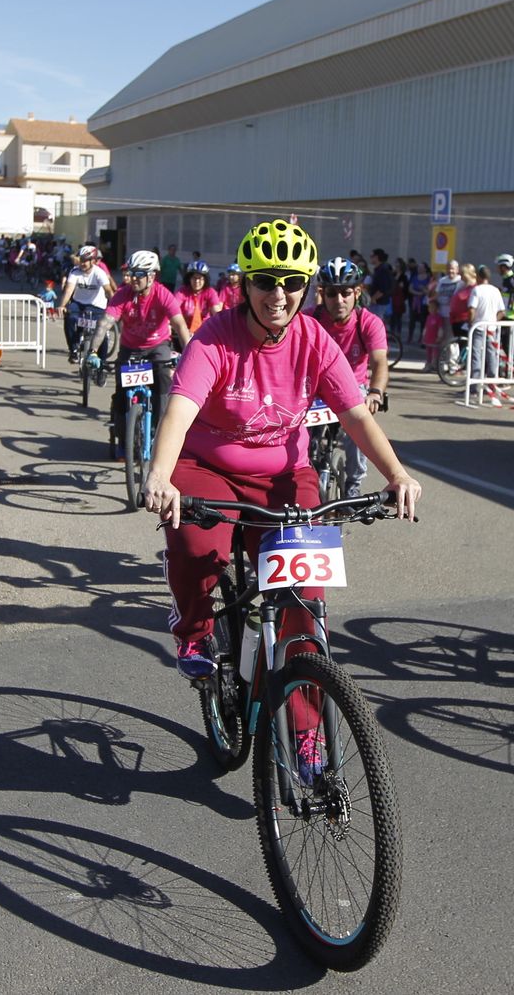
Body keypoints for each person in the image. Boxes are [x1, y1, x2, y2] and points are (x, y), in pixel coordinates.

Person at [140, 220, 420, 782]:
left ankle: (308, 736)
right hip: (207, 467)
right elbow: (181, 410)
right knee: (199, 548)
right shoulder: (214, 337)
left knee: (301, 609)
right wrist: (161, 474)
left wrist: (396, 474)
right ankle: (193, 630)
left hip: (286, 474)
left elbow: (356, 414)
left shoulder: (315, 339)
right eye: (266, 281)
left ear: (306, 287)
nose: (279, 294)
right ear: (245, 284)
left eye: (292, 282)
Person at [82, 249, 190, 454]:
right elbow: (105, 323)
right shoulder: (123, 294)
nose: (133, 279)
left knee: (163, 386)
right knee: (122, 394)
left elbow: (180, 326)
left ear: (151, 276)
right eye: (132, 273)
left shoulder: (163, 295)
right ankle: (124, 438)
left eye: (139, 274)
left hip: (157, 347)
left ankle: (160, 434)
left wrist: (188, 355)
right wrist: (94, 352)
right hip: (130, 349)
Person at [313, 257, 390, 496]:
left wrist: (376, 393)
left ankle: (353, 484)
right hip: (316, 389)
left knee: (359, 428)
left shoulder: (369, 322)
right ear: (322, 293)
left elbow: (379, 362)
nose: (339, 300)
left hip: (353, 389)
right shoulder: (309, 320)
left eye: (345, 293)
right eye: (332, 294)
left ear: (357, 292)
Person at [57, 244, 112, 362]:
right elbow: (68, 290)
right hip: (78, 304)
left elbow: (108, 290)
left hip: (97, 306)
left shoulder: (99, 273)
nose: (82, 263)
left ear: (93, 261)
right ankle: (74, 349)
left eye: (85, 261)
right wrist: (62, 306)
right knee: (70, 318)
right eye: (81, 260)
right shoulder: (75, 272)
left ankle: (102, 364)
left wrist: (113, 307)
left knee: (102, 332)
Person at [467, 260, 507, 404]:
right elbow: (502, 311)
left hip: (478, 327)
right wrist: (494, 321)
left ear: (478, 276)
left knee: (476, 356)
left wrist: (471, 321)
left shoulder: (477, 290)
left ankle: (474, 387)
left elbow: (472, 308)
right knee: (492, 356)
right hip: (491, 328)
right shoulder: (495, 290)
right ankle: (492, 385)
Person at [176, 260, 223, 336]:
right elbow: (173, 309)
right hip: (184, 330)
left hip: (205, 331)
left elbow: (217, 312)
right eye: (194, 278)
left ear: (205, 280)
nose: (197, 281)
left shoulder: (210, 292)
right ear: (189, 279)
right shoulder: (182, 291)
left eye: (200, 278)